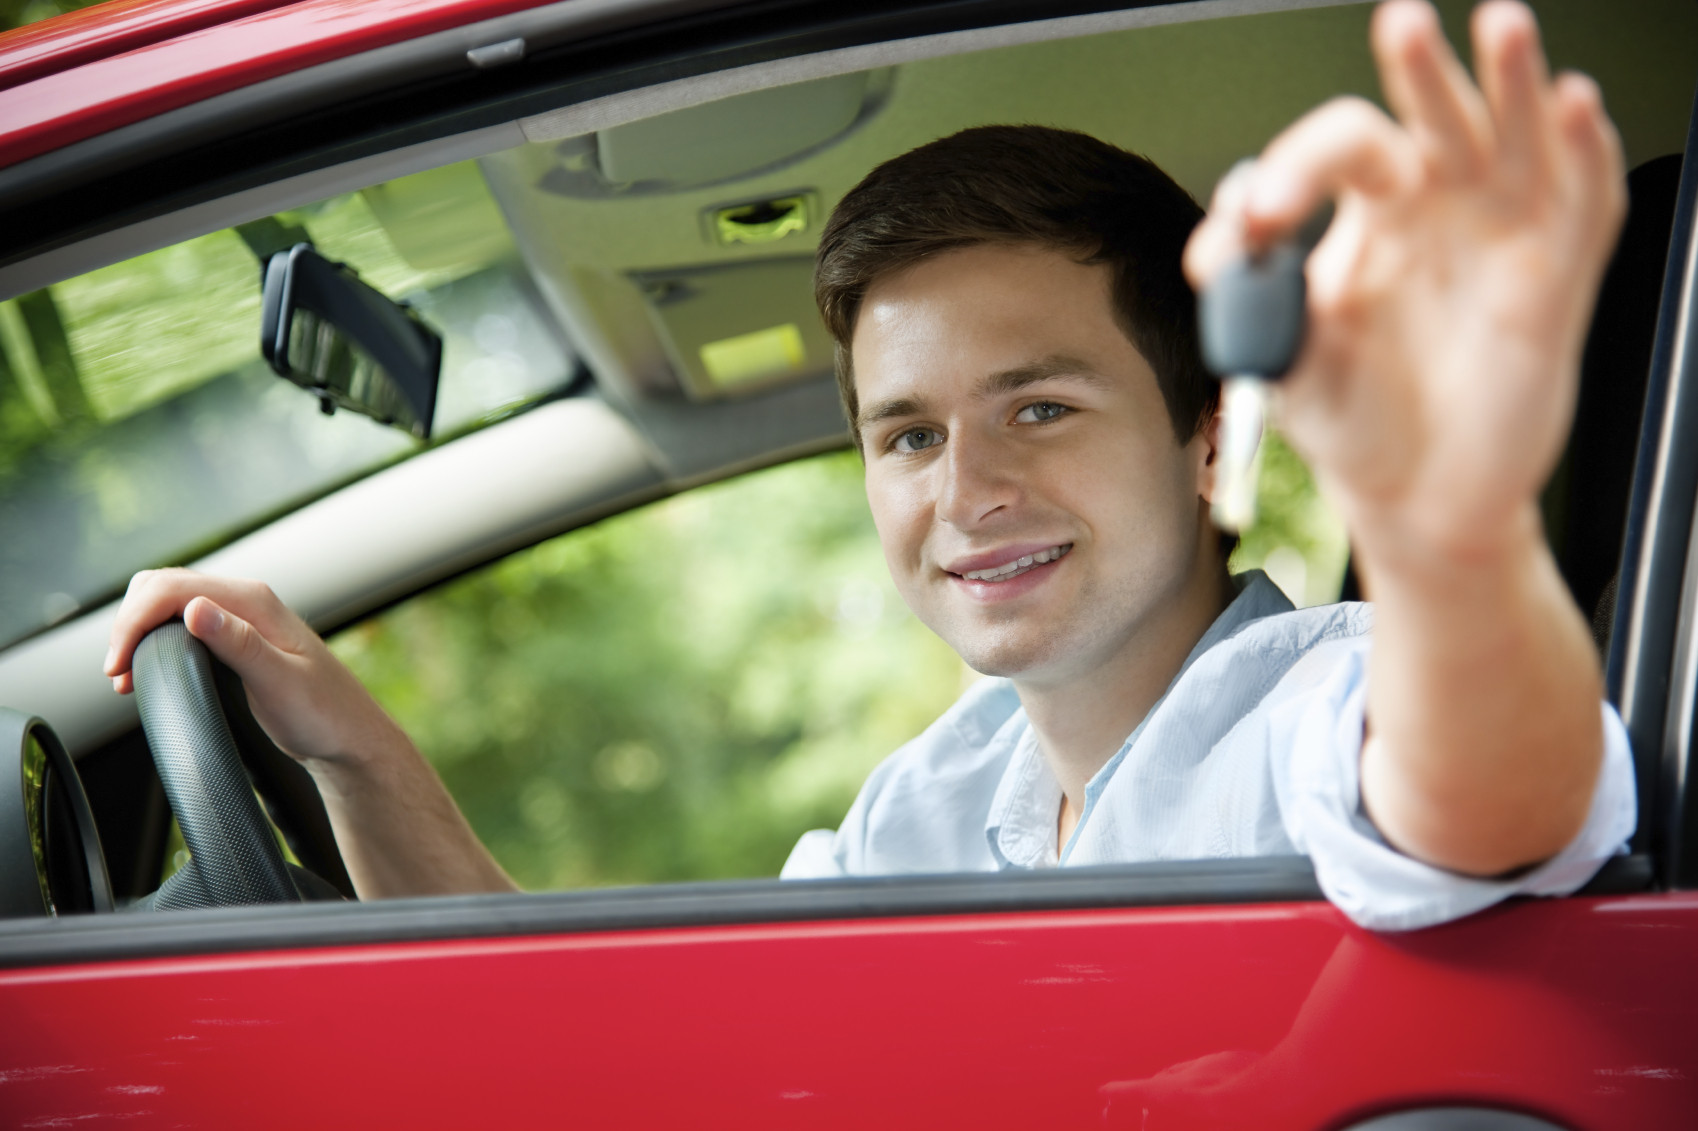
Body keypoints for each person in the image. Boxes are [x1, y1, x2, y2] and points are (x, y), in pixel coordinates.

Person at [103, 0, 1635, 929]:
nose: (961, 491)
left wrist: (1447, 527)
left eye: (1038, 407)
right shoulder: (943, 794)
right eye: (906, 433)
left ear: (1207, 432)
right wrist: (357, 751)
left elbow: (1484, 808)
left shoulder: (1321, 697)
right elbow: (609, 1043)